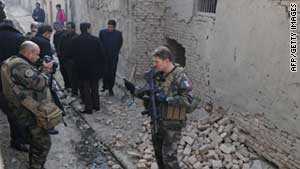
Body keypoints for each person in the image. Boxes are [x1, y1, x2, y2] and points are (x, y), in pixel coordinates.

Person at [124, 46, 197, 169]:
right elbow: (148, 93)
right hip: (157, 121)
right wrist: (134, 91)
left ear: (167, 60)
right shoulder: (157, 75)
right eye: (154, 61)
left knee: (169, 158)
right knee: (159, 157)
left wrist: (167, 99)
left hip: (172, 124)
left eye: (157, 61)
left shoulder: (180, 76)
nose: (154, 64)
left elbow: (190, 100)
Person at [1, 41, 53, 169]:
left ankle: (34, 163)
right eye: (37, 54)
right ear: (28, 52)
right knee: (43, 142)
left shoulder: (13, 61)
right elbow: (39, 83)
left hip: (20, 107)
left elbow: (25, 82)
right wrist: (46, 71)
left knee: (34, 139)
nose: (38, 58)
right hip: (26, 109)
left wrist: (39, 69)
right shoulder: (20, 66)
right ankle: (36, 166)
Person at [0, 19, 27, 152]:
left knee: (8, 110)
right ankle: (19, 140)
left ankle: (17, 139)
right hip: (15, 81)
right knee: (18, 112)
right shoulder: (19, 39)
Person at [71, 22, 105, 114]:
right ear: (88, 29)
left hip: (82, 69)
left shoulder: (75, 40)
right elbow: (102, 54)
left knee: (85, 89)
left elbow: (72, 55)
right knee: (95, 88)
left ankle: (88, 108)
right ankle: (96, 106)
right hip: (94, 68)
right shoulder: (95, 40)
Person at [31, 25, 59, 135]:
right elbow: (49, 61)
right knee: (47, 101)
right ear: (46, 33)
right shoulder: (44, 42)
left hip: (35, 75)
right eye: (50, 34)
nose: (50, 36)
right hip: (44, 74)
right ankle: (48, 125)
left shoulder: (33, 39)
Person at [99, 19, 123, 96]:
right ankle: (104, 86)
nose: (110, 28)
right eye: (108, 27)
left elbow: (120, 44)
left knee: (112, 73)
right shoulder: (102, 32)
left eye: (111, 27)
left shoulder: (118, 34)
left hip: (113, 57)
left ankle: (110, 88)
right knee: (104, 72)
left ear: (114, 27)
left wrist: (115, 52)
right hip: (104, 57)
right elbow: (100, 43)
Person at [58, 22, 79, 95]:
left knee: (73, 77)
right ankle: (67, 86)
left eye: (69, 28)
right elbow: (59, 48)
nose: (67, 29)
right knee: (65, 74)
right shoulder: (63, 36)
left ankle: (74, 91)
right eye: (66, 27)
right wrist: (60, 57)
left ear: (73, 29)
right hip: (64, 60)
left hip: (72, 61)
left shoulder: (77, 37)